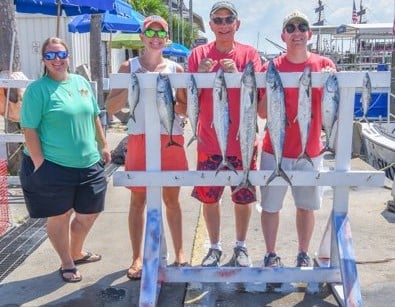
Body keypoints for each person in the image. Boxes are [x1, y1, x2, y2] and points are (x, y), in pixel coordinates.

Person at [19, 37, 111, 283]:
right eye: (50, 56)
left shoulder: (81, 82)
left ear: (68, 56)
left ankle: (77, 251)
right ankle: (67, 261)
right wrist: (40, 163)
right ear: (44, 60)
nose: (56, 60)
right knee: (60, 215)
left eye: (61, 54)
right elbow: (29, 129)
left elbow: (94, 115)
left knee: (89, 212)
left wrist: (103, 144)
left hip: (89, 162)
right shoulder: (38, 89)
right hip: (54, 165)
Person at [106, 15, 189, 280]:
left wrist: (174, 102)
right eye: (149, 32)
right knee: (137, 200)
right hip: (139, 137)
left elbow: (186, 107)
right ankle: (137, 257)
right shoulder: (127, 66)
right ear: (142, 37)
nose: (154, 37)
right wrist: (134, 85)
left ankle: (180, 253)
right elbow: (110, 108)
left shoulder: (176, 70)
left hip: (170, 137)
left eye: (160, 32)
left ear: (166, 39)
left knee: (172, 200)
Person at [258, 10, 336, 268]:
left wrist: (327, 78)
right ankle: (271, 254)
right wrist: (271, 87)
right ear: (283, 35)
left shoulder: (324, 65)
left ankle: (303, 252)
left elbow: (332, 107)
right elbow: (260, 112)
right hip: (274, 150)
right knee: (271, 206)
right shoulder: (271, 67)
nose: (297, 32)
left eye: (302, 27)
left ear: (309, 34)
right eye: (290, 28)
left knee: (306, 207)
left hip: (310, 151)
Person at [187, 1, 261, 267]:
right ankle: (215, 247)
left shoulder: (250, 54)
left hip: (242, 140)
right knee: (210, 197)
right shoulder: (197, 55)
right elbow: (187, 97)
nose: (223, 24)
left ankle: (241, 246)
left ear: (237, 24)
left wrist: (239, 75)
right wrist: (199, 75)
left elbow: (259, 97)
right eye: (217, 20)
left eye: (228, 19)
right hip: (209, 141)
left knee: (243, 197)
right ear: (211, 25)